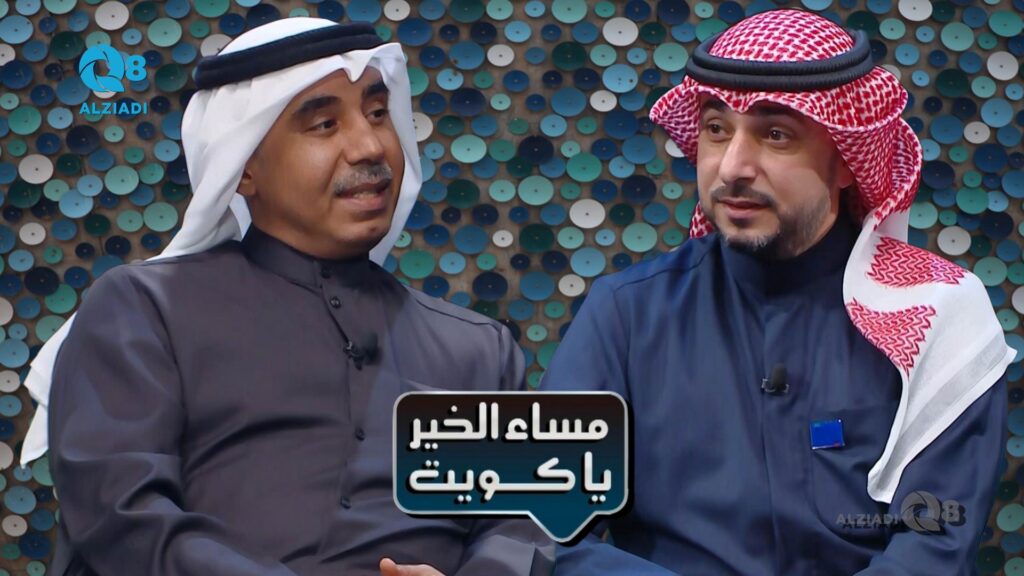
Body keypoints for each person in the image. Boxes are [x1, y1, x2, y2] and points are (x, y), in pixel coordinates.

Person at [20, 18, 553, 576]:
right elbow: (121, 513)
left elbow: (524, 523)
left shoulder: (479, 349)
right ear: (244, 168)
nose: (370, 146)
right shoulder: (148, 310)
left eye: (378, 114)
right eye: (325, 125)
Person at [541, 9, 1012, 575]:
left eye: (776, 135)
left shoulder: (937, 314)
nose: (733, 167)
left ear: (846, 160)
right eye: (717, 130)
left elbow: (934, 546)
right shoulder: (625, 315)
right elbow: (550, 534)